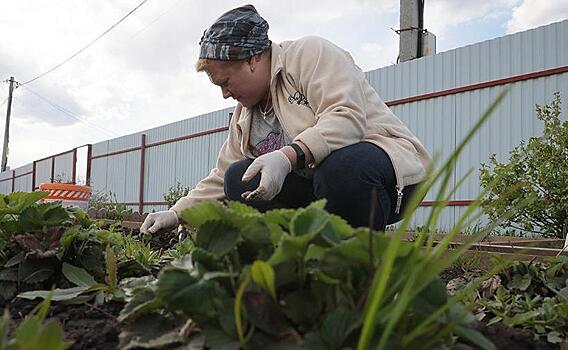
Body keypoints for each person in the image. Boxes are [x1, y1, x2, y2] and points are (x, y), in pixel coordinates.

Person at [141, 4, 431, 234]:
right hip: (321, 187)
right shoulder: (246, 115)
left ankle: (359, 275)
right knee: (239, 178)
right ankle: (295, 269)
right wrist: (177, 212)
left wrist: (288, 156)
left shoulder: (309, 54)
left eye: (225, 82)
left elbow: (346, 118)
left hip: (390, 178)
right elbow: (222, 175)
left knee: (341, 168)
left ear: (252, 59)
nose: (225, 95)